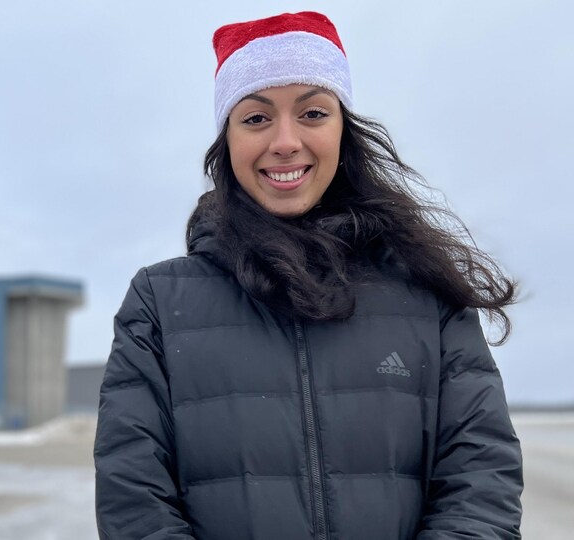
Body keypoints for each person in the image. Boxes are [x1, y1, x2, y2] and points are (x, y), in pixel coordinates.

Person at [95, 11, 522, 540]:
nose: (285, 141)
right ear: (226, 141)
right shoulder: (160, 302)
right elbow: (133, 500)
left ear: (344, 128)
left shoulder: (426, 293)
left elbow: (480, 482)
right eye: (255, 118)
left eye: (313, 113)